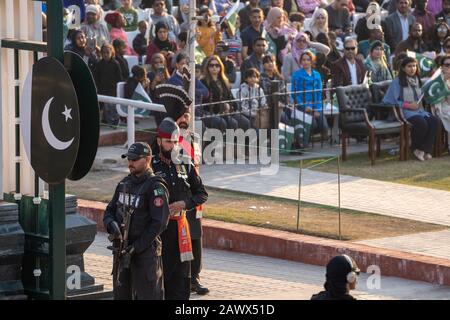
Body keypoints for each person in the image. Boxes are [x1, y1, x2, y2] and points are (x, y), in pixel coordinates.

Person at [152, 108, 208, 299]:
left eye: (176, 142)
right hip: (159, 231)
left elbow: (202, 194)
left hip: (181, 230)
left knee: (182, 279)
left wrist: (185, 203)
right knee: (161, 280)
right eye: (168, 142)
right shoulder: (151, 165)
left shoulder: (185, 163)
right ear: (159, 141)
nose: (173, 146)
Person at [103, 141, 170, 300]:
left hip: (145, 253)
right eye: (129, 159)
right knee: (121, 295)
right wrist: (111, 225)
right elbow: (109, 211)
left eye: (134, 159)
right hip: (121, 252)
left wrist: (136, 247)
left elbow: (159, 223)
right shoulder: (124, 183)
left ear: (147, 160)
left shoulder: (155, 187)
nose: (130, 163)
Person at [383, 56, 438, 161]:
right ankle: (415, 148)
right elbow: (389, 101)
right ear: (403, 68)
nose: (412, 68)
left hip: (419, 110)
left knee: (434, 121)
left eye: (414, 66)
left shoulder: (418, 80)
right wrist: (408, 105)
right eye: (409, 66)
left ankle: (425, 150)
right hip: (403, 112)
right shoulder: (397, 82)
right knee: (421, 123)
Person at [202, 56, 251, 131]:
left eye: (217, 65)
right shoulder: (204, 82)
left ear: (221, 67)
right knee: (232, 123)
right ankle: (229, 142)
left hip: (228, 111)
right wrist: (223, 107)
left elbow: (231, 97)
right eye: (211, 65)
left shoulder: (224, 81)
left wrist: (230, 107)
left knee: (245, 122)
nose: (214, 67)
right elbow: (206, 101)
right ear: (207, 67)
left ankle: (242, 142)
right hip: (214, 112)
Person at [292, 51, 328, 142]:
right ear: (300, 61)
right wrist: (304, 107)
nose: (306, 62)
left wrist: (317, 109)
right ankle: (304, 141)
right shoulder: (296, 75)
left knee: (324, 125)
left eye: (308, 60)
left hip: (315, 106)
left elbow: (319, 93)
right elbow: (295, 94)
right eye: (303, 60)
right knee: (313, 124)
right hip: (303, 106)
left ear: (312, 61)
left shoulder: (317, 74)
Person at [94, 44, 124, 125]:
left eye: (107, 52)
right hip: (102, 88)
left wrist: (118, 88)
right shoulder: (99, 64)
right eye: (103, 52)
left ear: (112, 52)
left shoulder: (115, 63)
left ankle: (114, 120)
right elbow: (96, 76)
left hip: (112, 88)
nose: (105, 54)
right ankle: (106, 119)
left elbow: (119, 77)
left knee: (111, 105)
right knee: (105, 106)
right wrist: (96, 86)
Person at [148, 53, 171, 125]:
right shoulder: (150, 74)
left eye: (161, 62)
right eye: (156, 63)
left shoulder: (167, 74)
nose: (158, 64)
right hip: (155, 101)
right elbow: (151, 89)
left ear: (164, 62)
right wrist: (155, 80)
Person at [433, 54, 450, 151]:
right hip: (441, 107)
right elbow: (439, 98)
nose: (449, 67)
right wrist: (444, 80)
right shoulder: (436, 79)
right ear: (442, 66)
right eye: (447, 65)